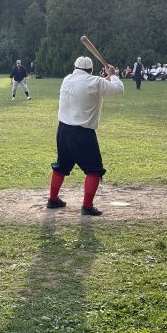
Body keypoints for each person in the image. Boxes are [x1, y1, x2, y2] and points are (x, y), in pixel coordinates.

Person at [47, 56, 124, 216]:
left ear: (75, 67)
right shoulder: (95, 82)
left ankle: (53, 200)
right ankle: (87, 207)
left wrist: (106, 77)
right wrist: (114, 74)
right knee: (94, 170)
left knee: (61, 166)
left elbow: (90, 85)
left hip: (63, 130)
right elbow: (118, 89)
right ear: (91, 70)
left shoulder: (67, 79)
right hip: (83, 133)